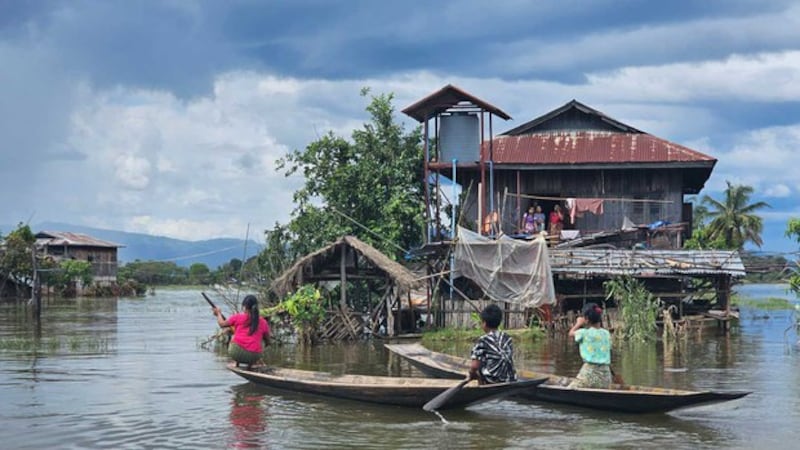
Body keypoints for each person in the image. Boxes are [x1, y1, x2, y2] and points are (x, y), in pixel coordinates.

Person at [213, 295, 271, 369]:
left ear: (244, 306)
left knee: (235, 337)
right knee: (258, 341)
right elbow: (268, 342)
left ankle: (237, 363)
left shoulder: (237, 317)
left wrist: (218, 314)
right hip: (255, 356)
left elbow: (222, 324)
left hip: (236, 353)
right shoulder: (263, 322)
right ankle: (251, 364)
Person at [469, 304, 517, 384]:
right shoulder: (507, 338)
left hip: (492, 381)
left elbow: (474, 366)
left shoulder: (483, 340)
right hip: (510, 379)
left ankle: (482, 386)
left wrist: (471, 374)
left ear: (484, 323)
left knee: (478, 366)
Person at [568, 303, 612, 389]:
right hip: (606, 376)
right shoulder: (606, 333)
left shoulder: (583, 333)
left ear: (586, 319)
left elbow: (570, 333)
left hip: (589, 373)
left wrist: (578, 323)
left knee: (568, 390)